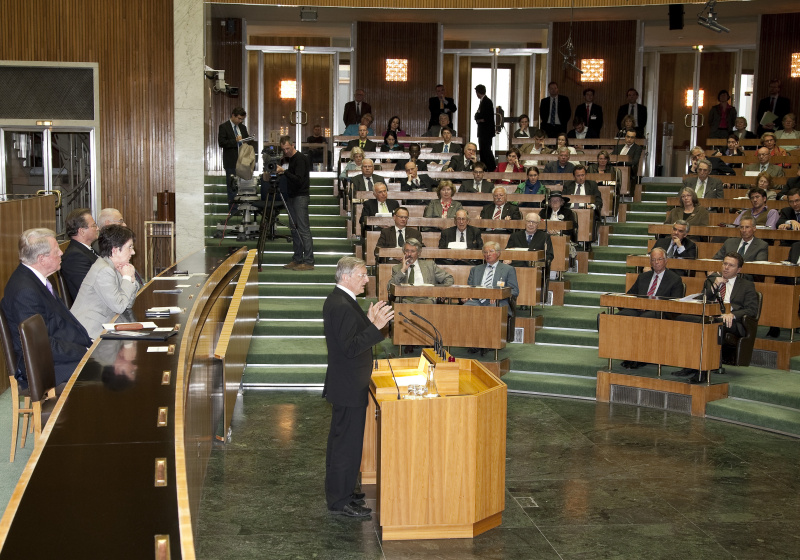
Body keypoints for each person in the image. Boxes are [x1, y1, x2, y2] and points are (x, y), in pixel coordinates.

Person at [323, 256, 393, 518]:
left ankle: (344, 491)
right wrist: (375, 327)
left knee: (345, 443)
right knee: (345, 446)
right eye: (362, 275)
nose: (366, 279)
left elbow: (351, 334)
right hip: (348, 385)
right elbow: (351, 348)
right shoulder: (341, 304)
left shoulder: (342, 300)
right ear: (346, 276)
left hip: (348, 384)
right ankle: (339, 501)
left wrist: (368, 320)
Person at [1, 228, 92, 389]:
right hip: (44, 366)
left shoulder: (36, 279)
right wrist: (85, 351)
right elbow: (41, 345)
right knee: (108, 373)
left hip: (57, 354)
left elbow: (58, 324)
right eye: (56, 250)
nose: (61, 253)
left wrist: (89, 345)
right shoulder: (25, 291)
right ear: (42, 259)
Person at [675, 253, 759, 383]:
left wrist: (732, 314)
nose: (726, 267)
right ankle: (689, 364)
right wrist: (714, 286)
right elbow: (701, 300)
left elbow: (752, 309)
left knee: (710, 326)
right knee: (683, 319)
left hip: (731, 322)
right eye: (725, 264)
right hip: (711, 317)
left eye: (731, 265)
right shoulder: (712, 280)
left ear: (739, 269)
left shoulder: (746, 285)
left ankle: (703, 372)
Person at [616, 248, 683, 369]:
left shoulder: (675, 279)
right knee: (622, 316)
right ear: (650, 262)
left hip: (660, 312)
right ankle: (626, 353)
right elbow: (630, 295)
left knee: (645, 319)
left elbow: (675, 305)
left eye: (659, 259)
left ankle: (641, 357)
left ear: (666, 261)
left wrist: (650, 306)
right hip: (639, 309)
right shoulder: (643, 277)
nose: (656, 262)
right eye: (653, 260)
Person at [70, 225, 140, 339]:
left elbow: (127, 304)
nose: (133, 252)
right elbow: (120, 307)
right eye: (130, 247)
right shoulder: (104, 270)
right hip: (89, 333)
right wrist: (127, 278)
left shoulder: (114, 266)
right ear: (115, 250)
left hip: (105, 325)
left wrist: (131, 279)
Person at [278, 136, 315, 271]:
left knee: (303, 229)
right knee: (294, 229)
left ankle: (309, 261)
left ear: (293, 145)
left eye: (287, 148)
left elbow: (298, 180)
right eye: (283, 149)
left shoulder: (300, 159)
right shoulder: (291, 159)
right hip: (292, 196)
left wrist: (284, 172)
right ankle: (297, 258)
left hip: (300, 196)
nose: (286, 151)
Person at [389, 239, 454, 304]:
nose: (409, 254)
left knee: (427, 303)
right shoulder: (397, 268)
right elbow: (389, 287)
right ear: (403, 252)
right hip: (405, 300)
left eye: (412, 251)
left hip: (425, 299)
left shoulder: (430, 265)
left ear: (419, 253)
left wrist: (441, 292)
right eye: (407, 251)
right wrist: (402, 270)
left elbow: (449, 278)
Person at [464, 241, 519, 311]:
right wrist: (467, 295)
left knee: (492, 309)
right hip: (477, 301)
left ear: (498, 253)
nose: (488, 254)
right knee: (465, 308)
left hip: (498, 301)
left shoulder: (508, 269)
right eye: (485, 252)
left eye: (491, 251)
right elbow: (469, 289)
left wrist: (497, 295)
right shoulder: (475, 270)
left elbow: (514, 291)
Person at [61, 207, 100, 302]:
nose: (98, 228)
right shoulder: (74, 257)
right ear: (82, 231)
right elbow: (88, 291)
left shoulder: (86, 250)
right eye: (94, 225)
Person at [218, 107, 251, 208]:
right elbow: (222, 143)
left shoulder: (243, 127)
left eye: (242, 119)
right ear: (233, 115)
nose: (240, 121)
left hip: (243, 162)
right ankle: (233, 210)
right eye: (239, 118)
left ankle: (243, 209)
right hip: (231, 162)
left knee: (243, 186)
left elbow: (246, 140)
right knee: (232, 187)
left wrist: (247, 140)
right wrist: (235, 141)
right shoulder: (224, 127)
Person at [474, 84, 496, 171]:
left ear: (478, 92)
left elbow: (484, 116)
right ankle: (485, 167)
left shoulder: (487, 102)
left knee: (486, 150)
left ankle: (491, 168)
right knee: (483, 151)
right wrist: (479, 118)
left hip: (486, 132)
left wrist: (479, 118)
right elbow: (477, 116)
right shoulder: (483, 101)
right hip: (483, 132)